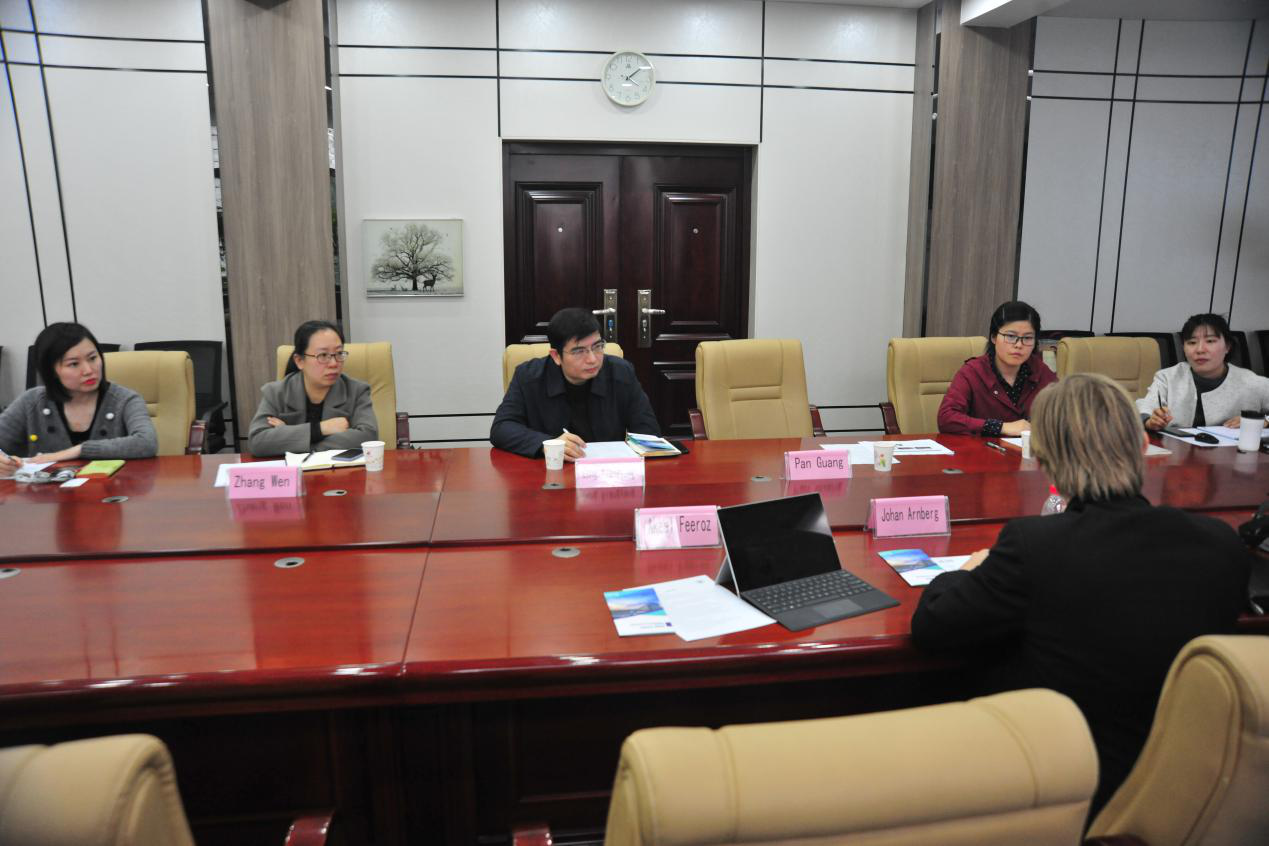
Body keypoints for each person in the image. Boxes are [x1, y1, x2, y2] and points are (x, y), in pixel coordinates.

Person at [912, 373, 1250, 820]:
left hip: (1065, 789)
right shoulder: (1220, 543)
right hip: (1191, 792)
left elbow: (932, 627)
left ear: (1046, 457)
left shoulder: (1035, 546)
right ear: (1141, 445)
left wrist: (965, 572)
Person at [491, 307, 660, 459]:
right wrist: (548, 444)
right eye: (579, 351)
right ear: (556, 356)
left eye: (597, 347)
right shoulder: (528, 376)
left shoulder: (621, 372)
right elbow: (501, 428)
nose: (592, 359)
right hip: (551, 470)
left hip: (606, 471)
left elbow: (648, 431)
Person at [0, 322, 158, 471]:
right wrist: (4, 464)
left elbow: (147, 442)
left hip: (113, 488)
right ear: (51, 371)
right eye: (74, 364)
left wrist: (80, 450)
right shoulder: (32, 402)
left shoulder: (125, 400)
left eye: (93, 358)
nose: (89, 370)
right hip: (46, 491)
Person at [247, 320, 377, 457]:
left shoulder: (357, 391)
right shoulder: (275, 392)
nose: (334, 363)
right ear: (299, 361)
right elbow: (257, 441)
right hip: (291, 470)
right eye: (323, 355)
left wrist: (291, 437)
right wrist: (319, 429)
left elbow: (368, 437)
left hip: (339, 469)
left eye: (339, 353)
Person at [937, 300, 1058, 436]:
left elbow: (1065, 413)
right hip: (982, 448)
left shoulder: (1040, 370)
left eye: (1028, 338)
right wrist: (1001, 427)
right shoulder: (972, 372)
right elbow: (946, 419)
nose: (1019, 345)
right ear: (994, 337)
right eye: (1010, 336)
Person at [1137, 313, 1269, 431]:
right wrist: (1149, 421)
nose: (1200, 349)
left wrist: (1264, 421)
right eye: (1192, 342)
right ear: (1184, 347)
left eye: (1210, 341)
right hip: (1175, 449)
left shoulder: (1252, 382)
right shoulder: (1168, 377)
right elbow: (1144, 409)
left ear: (1227, 346)